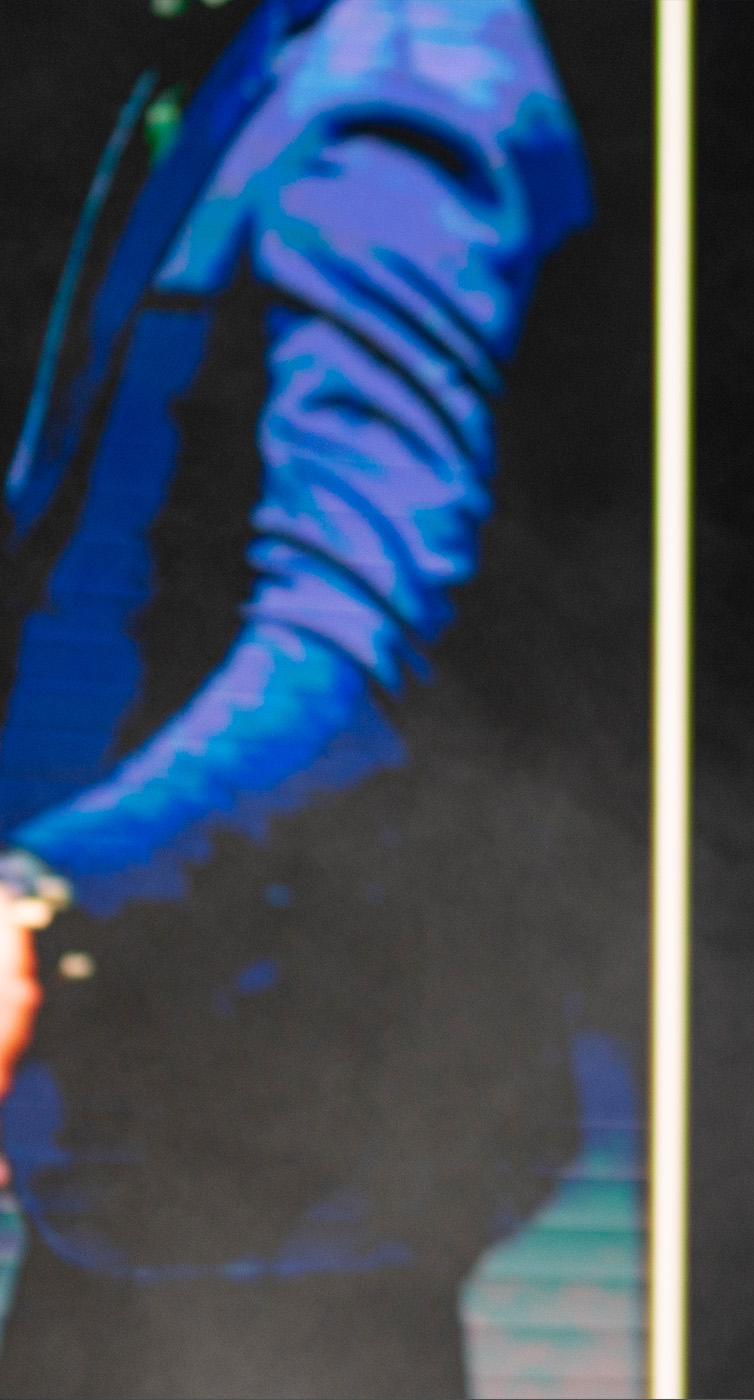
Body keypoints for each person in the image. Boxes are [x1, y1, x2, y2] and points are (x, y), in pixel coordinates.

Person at [0, 0, 590, 1391]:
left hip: (277, 1189)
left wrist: (35, 893)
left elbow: (352, 640)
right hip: (148, 1156)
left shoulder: (404, 92)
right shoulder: (260, 53)